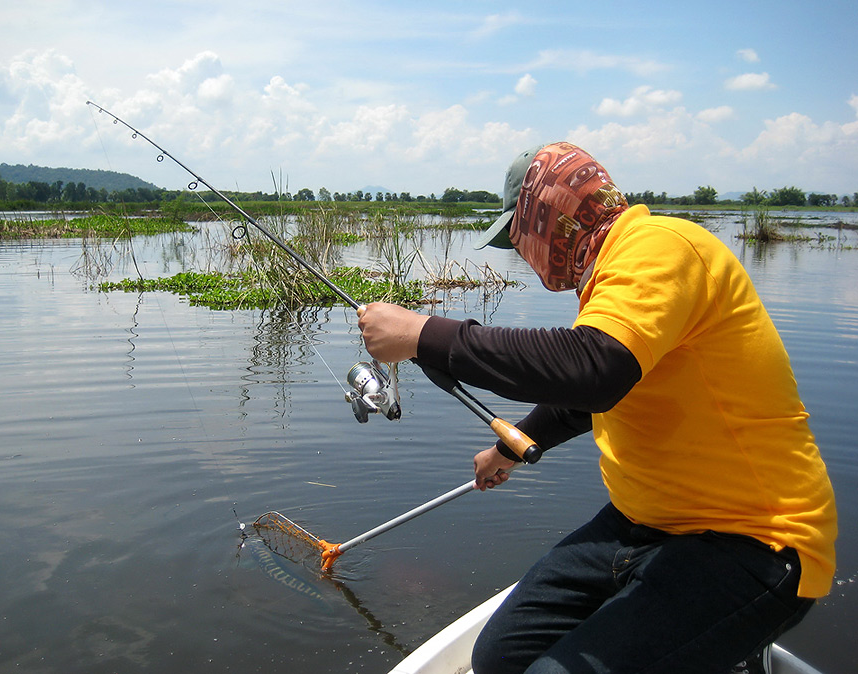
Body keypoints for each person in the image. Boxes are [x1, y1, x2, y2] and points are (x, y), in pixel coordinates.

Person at [357, 142, 837, 674]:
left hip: (755, 542)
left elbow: (593, 371)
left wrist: (424, 334)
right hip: (645, 524)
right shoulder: (609, 275)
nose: (524, 259)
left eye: (518, 242)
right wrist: (510, 447)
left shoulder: (659, 248)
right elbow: (595, 394)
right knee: (498, 657)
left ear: (548, 218)